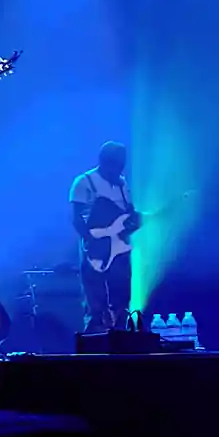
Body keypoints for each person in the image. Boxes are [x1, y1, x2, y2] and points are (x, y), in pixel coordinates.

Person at [69, 141, 141, 333]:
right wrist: (91, 242)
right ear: (104, 162)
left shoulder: (123, 184)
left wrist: (135, 223)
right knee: (95, 300)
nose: (119, 169)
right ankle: (94, 342)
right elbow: (77, 219)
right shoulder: (84, 182)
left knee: (121, 296)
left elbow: (128, 214)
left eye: (122, 165)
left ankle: (120, 335)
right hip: (95, 249)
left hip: (121, 250)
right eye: (115, 164)